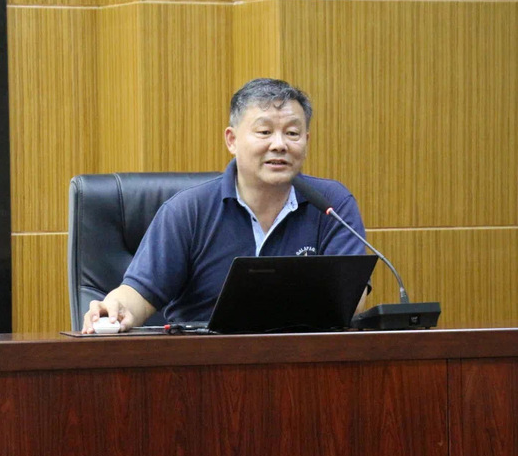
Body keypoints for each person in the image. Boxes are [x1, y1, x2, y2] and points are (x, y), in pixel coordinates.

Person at [82, 78, 368, 333]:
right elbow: (138, 293)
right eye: (264, 132)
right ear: (232, 140)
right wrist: (114, 308)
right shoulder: (188, 211)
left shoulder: (332, 205)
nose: (279, 145)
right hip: (205, 362)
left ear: (306, 140)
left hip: (302, 361)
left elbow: (352, 302)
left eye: (292, 133)